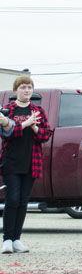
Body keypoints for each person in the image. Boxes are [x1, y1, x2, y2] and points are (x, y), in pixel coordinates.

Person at [1, 75, 51, 254]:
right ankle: (6, 239)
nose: (27, 90)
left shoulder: (38, 110)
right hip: (11, 162)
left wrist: (35, 127)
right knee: (12, 199)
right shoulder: (8, 110)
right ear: (16, 90)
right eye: (23, 87)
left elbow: (46, 134)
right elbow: (7, 132)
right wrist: (26, 123)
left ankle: (17, 239)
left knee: (23, 201)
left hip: (32, 162)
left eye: (29, 87)